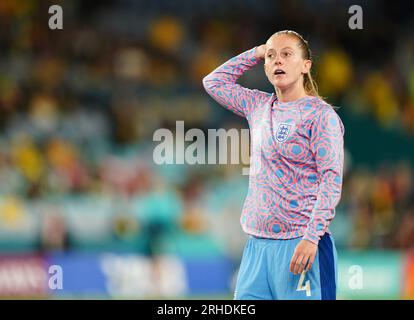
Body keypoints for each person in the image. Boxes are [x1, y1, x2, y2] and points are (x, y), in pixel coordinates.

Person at [202, 30, 344, 300]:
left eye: (287, 54)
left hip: (301, 244)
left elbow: (331, 179)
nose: (278, 61)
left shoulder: (321, 116)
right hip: (257, 248)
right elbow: (214, 82)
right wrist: (255, 53)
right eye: (271, 56)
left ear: (306, 65)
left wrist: (312, 238)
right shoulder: (257, 105)